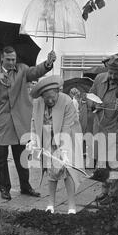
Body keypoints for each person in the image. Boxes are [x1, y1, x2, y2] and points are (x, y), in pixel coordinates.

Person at [0, 45, 56, 200]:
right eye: (8, 59)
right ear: (1, 58)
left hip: (20, 122)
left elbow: (35, 72)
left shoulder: (22, 70)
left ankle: (25, 186)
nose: (11, 62)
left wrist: (47, 64)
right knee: (1, 159)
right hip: (2, 123)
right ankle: (4, 188)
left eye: (13, 59)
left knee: (22, 158)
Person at [29, 75, 84, 214]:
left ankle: (71, 205)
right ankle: (50, 203)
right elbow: (34, 122)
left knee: (68, 170)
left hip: (68, 137)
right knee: (52, 170)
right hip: (48, 137)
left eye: (53, 97)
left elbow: (66, 128)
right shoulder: (37, 102)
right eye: (46, 98)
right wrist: (33, 140)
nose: (50, 100)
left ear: (58, 92)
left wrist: (64, 152)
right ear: (42, 96)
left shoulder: (67, 102)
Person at [88, 55, 118, 206]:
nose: (113, 76)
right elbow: (90, 96)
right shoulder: (99, 78)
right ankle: (104, 191)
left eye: (116, 73)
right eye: (111, 72)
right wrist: (94, 105)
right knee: (102, 163)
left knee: (115, 164)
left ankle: (113, 195)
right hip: (101, 128)